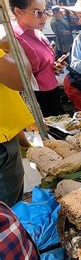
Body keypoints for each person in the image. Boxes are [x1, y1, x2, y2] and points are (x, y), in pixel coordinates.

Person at [9, 0, 66, 117]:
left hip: (52, 91)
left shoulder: (38, 33)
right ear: (18, 12)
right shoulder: (11, 38)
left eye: (45, 12)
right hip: (35, 97)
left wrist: (54, 66)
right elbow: (19, 76)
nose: (44, 17)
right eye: (38, 13)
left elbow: (43, 64)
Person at [0, 47, 34, 207]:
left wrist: (24, 142)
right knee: (9, 211)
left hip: (7, 136)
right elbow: (21, 78)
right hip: (3, 147)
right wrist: (16, 47)